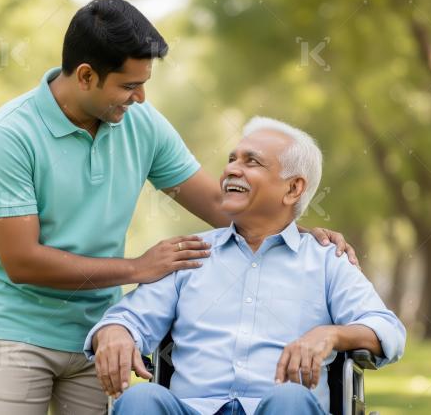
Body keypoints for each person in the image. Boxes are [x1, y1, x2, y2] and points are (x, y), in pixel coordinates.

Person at [0, 0, 358, 415]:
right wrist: (137, 268)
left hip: (97, 330)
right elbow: (22, 261)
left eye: (144, 83)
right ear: (85, 76)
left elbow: (216, 202)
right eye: (128, 85)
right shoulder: (9, 134)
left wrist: (298, 232)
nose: (139, 97)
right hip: (17, 331)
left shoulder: (141, 123)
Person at [85, 117, 406, 415]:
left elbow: (388, 331)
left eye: (251, 162)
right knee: (140, 399)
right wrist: (116, 331)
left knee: (291, 397)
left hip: (281, 408)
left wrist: (332, 334)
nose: (231, 171)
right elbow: (129, 317)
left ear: (293, 188)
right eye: (231, 160)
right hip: (193, 409)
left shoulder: (326, 261)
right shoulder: (189, 254)